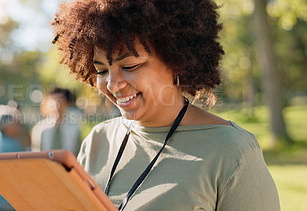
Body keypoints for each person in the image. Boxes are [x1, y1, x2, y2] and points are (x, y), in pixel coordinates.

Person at [51, 0, 280, 210]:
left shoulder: (233, 152)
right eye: (101, 70)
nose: (112, 84)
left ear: (177, 61)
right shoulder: (98, 141)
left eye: (129, 66)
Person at [0, 114, 25, 211]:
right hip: (11, 202)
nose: (18, 125)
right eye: (14, 123)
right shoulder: (12, 145)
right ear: (6, 126)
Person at [31, 87, 82, 155]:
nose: (57, 106)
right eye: (54, 102)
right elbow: (36, 152)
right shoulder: (40, 128)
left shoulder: (74, 129)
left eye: (61, 102)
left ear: (67, 105)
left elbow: (77, 153)